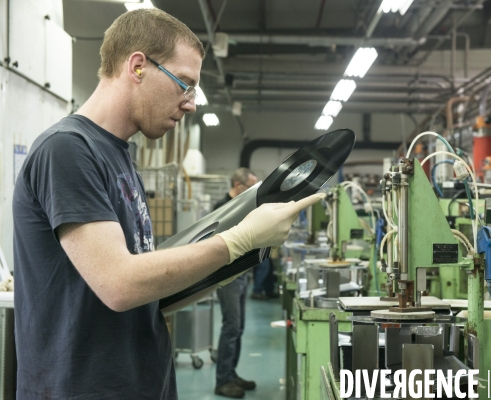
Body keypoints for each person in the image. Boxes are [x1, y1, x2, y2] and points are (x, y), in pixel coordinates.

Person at [12, 9, 324, 400]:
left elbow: (146, 288)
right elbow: (119, 283)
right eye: (185, 84)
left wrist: (226, 265)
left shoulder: (120, 156)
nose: (191, 103)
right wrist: (235, 242)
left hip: (140, 382)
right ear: (138, 66)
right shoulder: (67, 150)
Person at [213, 168, 258, 398]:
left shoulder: (246, 207)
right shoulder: (222, 207)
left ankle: (231, 373)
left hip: (243, 273)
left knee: (238, 328)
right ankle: (222, 381)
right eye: (252, 186)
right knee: (231, 327)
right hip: (228, 276)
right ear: (239, 187)